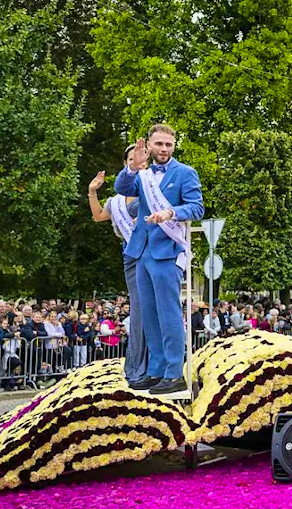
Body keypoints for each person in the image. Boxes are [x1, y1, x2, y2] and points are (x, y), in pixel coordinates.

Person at [116, 124, 204, 394]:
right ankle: (156, 369)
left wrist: (170, 213)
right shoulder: (143, 175)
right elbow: (121, 187)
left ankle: (174, 371)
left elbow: (197, 207)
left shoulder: (185, 173)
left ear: (173, 146)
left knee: (169, 314)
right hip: (141, 250)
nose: (164, 149)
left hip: (167, 250)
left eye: (168, 144)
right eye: (159, 144)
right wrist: (132, 168)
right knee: (150, 315)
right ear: (150, 146)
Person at [89, 143, 148, 383]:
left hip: (153, 252)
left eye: (142, 159)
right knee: (138, 310)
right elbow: (98, 216)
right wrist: (93, 191)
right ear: (127, 164)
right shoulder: (115, 201)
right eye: (133, 159)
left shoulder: (153, 188)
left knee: (153, 309)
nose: (138, 162)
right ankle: (136, 367)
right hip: (131, 256)